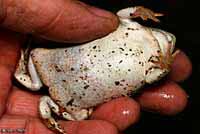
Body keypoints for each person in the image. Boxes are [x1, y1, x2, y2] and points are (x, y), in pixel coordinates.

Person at [0, 0, 192, 134]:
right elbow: (123, 16)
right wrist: (164, 66)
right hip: (64, 80)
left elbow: (122, 16)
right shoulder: (132, 31)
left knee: (37, 85)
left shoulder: (131, 28)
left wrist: (138, 12)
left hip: (68, 83)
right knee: (39, 87)